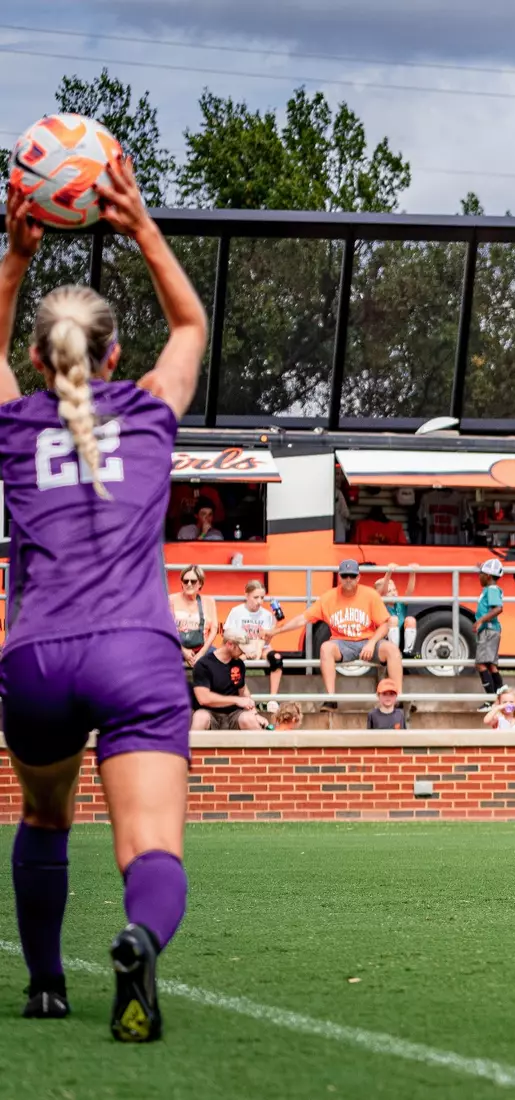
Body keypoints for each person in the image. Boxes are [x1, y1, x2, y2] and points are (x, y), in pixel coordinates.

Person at [0, 161, 206, 1039]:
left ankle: (47, 984)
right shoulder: (154, 410)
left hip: (37, 661)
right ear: (115, 354)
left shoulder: (14, 424)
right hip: (136, 654)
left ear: (39, 361)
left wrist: (14, 258)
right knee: (150, 850)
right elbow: (192, 321)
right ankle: (136, 939)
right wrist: (141, 228)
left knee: (46, 815)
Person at [266, 558, 402, 708]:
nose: (348, 580)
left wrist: (371, 643)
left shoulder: (370, 595)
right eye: (345, 576)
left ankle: (398, 698)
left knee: (392, 650)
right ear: (339, 577)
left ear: (358, 577)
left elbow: (384, 624)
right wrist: (277, 631)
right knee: (326, 648)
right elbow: (302, 619)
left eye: (352, 576)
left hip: (367, 641)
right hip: (342, 643)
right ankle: (331, 699)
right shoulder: (328, 598)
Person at [190, 630, 263, 732]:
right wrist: (236, 700)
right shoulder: (203, 664)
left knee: (249, 719)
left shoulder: (239, 663)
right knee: (200, 718)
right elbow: (203, 698)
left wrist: (255, 714)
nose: (243, 652)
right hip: (210, 712)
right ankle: (193, 748)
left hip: (234, 714)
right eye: (241, 649)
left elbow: (243, 691)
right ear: (229, 644)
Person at [224, 580, 283, 701]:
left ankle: (273, 699)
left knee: (276, 659)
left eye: (262, 597)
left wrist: (275, 622)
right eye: (256, 597)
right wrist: (245, 650)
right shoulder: (237, 612)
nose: (259, 601)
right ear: (246, 595)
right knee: (232, 661)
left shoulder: (266, 615)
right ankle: (235, 696)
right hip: (241, 647)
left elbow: (266, 640)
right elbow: (228, 635)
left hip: (260, 647)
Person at [169, 564, 218, 670]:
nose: (189, 584)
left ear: (200, 583)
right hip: (176, 648)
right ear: (181, 583)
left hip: (202, 648)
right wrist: (183, 651)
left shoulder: (209, 601)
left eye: (193, 581)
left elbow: (214, 629)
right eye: (185, 581)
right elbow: (168, 628)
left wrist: (201, 653)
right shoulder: (172, 600)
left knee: (220, 659)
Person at [473, 558, 505, 710]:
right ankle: (500, 699)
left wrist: (480, 621)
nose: (479, 576)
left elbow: (498, 608)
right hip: (490, 630)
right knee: (491, 665)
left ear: (489, 576)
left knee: (480, 664)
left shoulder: (492, 589)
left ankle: (491, 701)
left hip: (488, 630)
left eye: (481, 574)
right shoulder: (490, 588)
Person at [374, 566, 417, 657]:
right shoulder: (381, 604)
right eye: (390, 591)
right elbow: (383, 592)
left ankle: (407, 652)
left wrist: (412, 573)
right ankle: (394, 652)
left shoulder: (400, 603)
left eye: (394, 590)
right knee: (393, 619)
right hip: (383, 638)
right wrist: (389, 572)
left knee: (410, 620)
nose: (393, 593)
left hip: (399, 637)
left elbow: (409, 591)